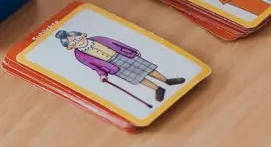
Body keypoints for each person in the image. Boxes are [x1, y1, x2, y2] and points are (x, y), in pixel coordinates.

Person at [55, 30, 185, 102]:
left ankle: (166, 80)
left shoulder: (98, 38)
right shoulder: (80, 55)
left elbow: (116, 43)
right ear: (70, 47)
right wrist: (102, 75)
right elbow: (94, 66)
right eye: (74, 42)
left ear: (83, 35)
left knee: (147, 69)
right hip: (112, 66)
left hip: (124, 55)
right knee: (137, 77)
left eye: (78, 38)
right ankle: (157, 89)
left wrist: (132, 49)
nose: (78, 41)